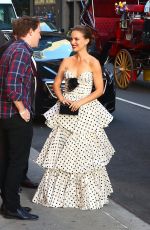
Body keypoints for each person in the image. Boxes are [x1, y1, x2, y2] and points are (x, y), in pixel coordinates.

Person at [32, 25, 115, 210]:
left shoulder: (94, 62)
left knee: (84, 155)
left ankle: (85, 196)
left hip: (85, 112)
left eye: (77, 39)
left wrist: (81, 102)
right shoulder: (67, 61)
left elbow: (100, 90)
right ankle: (59, 195)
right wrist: (62, 99)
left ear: (87, 40)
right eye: (72, 39)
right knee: (61, 154)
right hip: (66, 111)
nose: (73, 42)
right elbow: (56, 83)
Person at [0, 16, 41, 220]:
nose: (40, 35)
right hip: (15, 117)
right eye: (39, 31)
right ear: (30, 31)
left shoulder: (12, 48)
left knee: (7, 161)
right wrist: (23, 109)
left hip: (5, 115)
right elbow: (12, 84)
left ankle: (8, 204)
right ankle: (12, 208)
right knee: (17, 162)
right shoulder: (21, 51)